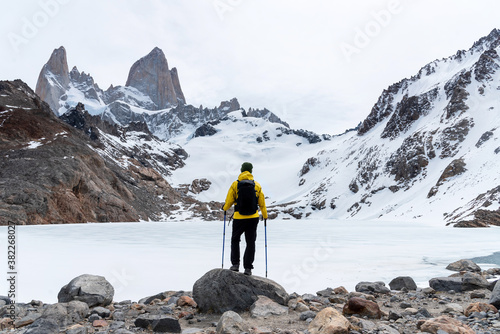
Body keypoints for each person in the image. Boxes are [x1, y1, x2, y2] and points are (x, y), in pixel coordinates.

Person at [222, 162, 268, 276]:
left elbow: (229, 201)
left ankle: (235, 265)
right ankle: (248, 268)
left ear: (241, 171)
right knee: (250, 242)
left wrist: (224, 208)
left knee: (235, 240)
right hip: (253, 218)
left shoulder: (235, 184)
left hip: (239, 217)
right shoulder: (257, 185)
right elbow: (262, 203)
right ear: (251, 171)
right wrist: (265, 216)